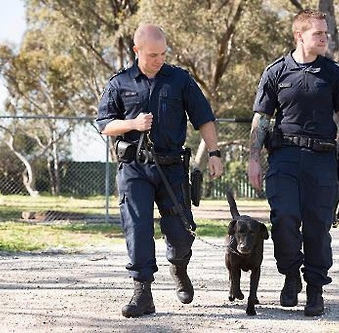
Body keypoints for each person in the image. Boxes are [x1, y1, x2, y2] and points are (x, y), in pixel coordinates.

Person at [96, 23, 223, 318]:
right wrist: (133, 124)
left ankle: (179, 267)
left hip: (172, 168)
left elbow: (204, 117)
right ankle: (142, 292)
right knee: (137, 229)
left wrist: (214, 153)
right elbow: (104, 125)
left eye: (163, 54)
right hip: (134, 169)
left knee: (180, 232)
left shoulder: (180, 80)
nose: (159, 59)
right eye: (153, 54)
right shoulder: (120, 83)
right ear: (136, 50)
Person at [247, 9, 339, 317]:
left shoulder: (333, 73)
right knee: (283, 219)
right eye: (318, 34)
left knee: (317, 227)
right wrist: (253, 159)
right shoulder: (276, 72)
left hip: (322, 161)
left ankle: (314, 290)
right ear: (299, 35)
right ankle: (290, 275)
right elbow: (261, 119)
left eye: (326, 33)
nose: (325, 38)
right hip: (283, 158)